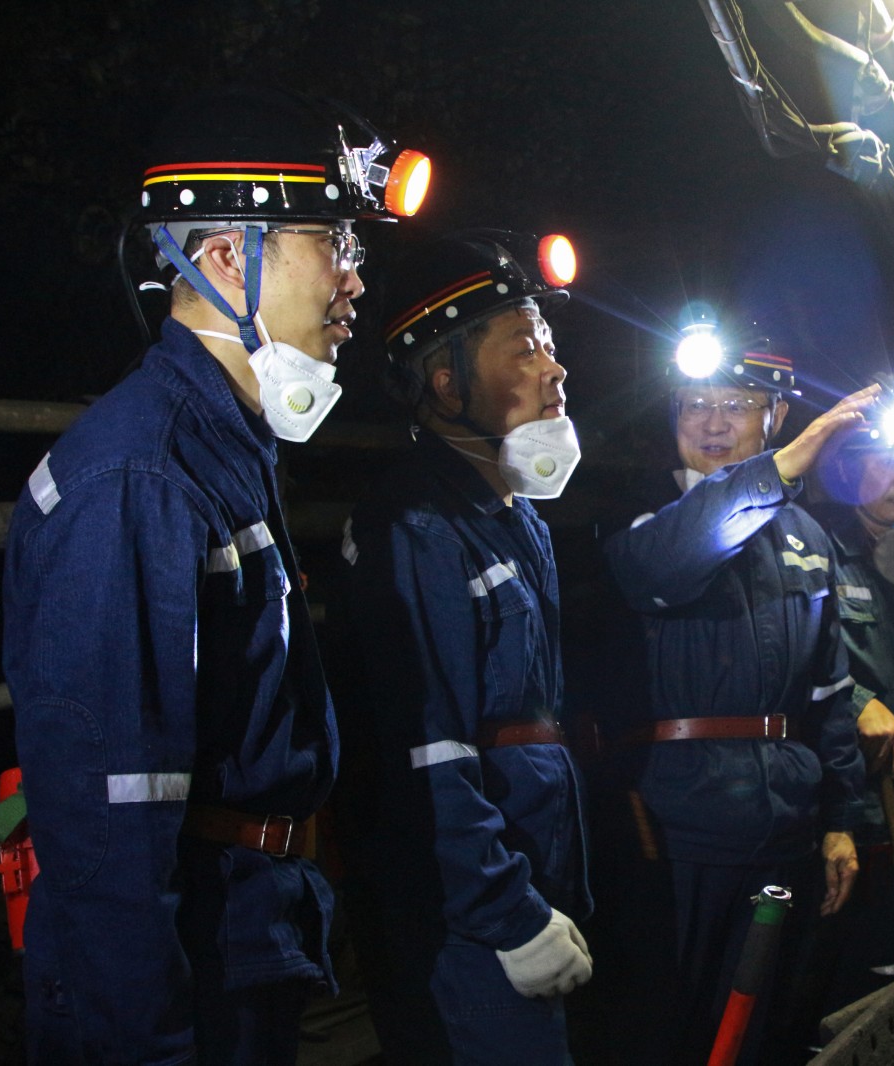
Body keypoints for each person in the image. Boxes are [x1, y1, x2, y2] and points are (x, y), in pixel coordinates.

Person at [1, 86, 427, 1064]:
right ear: (230, 258)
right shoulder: (141, 475)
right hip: (186, 963)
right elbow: (111, 811)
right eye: (335, 243)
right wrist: (147, 1043)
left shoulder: (221, 444)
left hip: (242, 930)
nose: (356, 279)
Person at [331, 230, 593, 1064]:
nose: (555, 370)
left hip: (530, 884)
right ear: (445, 384)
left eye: (549, 346)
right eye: (524, 349)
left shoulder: (518, 520)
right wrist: (509, 917)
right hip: (465, 925)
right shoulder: (416, 528)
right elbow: (427, 759)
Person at [591, 322, 881, 1065]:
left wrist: (840, 822)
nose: (713, 423)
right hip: (675, 830)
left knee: (756, 1027)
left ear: (775, 415)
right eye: (695, 404)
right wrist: (776, 473)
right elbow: (661, 569)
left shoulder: (809, 538)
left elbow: (830, 693)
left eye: (737, 404)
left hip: (783, 827)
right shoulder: (640, 511)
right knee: (662, 1031)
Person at [800, 407, 894, 1021]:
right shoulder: (817, 549)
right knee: (833, 973)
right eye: (886, 460)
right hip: (843, 807)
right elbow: (795, 664)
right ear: (845, 469)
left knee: (887, 967)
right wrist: (860, 705)